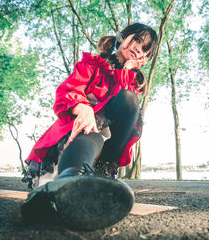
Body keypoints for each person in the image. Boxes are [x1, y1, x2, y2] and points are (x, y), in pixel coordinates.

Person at [18, 23, 158, 231]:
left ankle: (97, 174)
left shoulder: (133, 81)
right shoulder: (93, 64)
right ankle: (67, 181)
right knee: (93, 131)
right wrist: (82, 107)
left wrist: (127, 70)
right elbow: (67, 91)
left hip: (106, 147)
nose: (138, 48)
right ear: (122, 36)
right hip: (78, 136)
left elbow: (121, 107)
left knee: (129, 100)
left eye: (145, 48)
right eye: (136, 39)